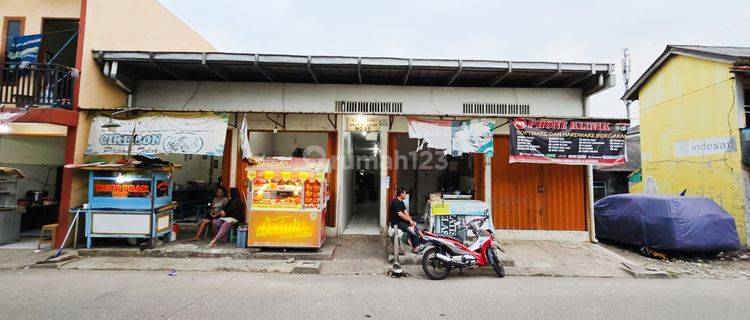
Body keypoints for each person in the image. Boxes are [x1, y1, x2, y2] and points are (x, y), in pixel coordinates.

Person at [390, 187, 422, 253]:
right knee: (411, 229)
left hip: (401, 221)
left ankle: (415, 247)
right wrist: (409, 221)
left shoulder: (401, 202)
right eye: (405, 193)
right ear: (401, 194)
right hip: (396, 223)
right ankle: (416, 246)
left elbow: (405, 212)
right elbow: (400, 214)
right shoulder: (394, 202)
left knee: (414, 226)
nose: (405, 195)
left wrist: (411, 221)